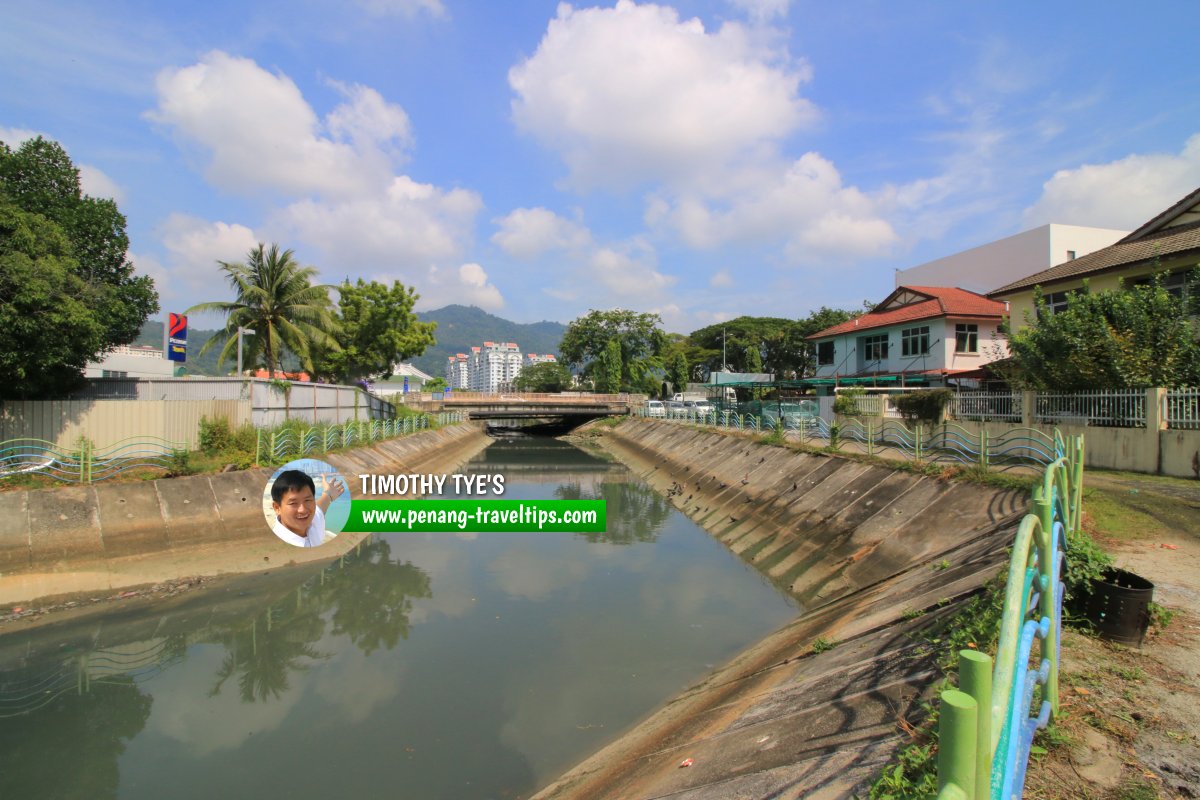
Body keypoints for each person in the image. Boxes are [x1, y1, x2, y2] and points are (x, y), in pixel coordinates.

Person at [270, 469, 345, 547]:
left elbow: (320, 506)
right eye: (293, 503)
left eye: (307, 500)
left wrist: (328, 494)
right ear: (277, 508)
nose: (303, 510)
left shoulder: (313, 521)